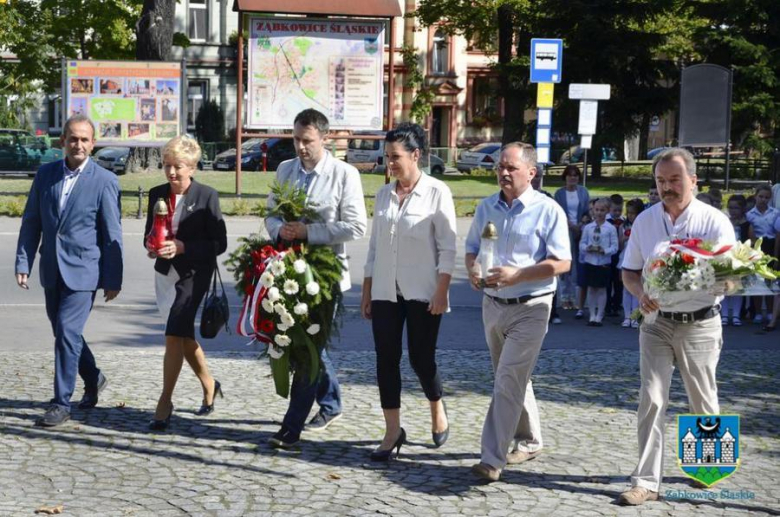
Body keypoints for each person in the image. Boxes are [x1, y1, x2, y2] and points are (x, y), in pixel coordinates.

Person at [618, 148, 736, 506]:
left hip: (701, 323)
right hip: (656, 323)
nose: (666, 187)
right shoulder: (646, 220)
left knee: (703, 398)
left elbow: (732, 279)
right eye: (660, 180)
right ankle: (645, 481)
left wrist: (703, 279)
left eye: (674, 179)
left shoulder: (714, 220)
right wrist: (641, 294)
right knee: (651, 398)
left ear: (693, 180)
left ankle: (708, 467)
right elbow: (629, 271)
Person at [465, 142, 571, 482]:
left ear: (531, 172)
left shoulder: (548, 210)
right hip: (493, 305)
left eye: (511, 167)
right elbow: (472, 250)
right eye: (500, 166)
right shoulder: (486, 208)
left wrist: (519, 274)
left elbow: (562, 263)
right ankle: (530, 439)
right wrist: (473, 269)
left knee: (508, 379)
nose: (504, 172)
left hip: (532, 306)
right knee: (509, 377)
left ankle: (492, 459)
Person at [265, 108, 367, 448]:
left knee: (309, 350)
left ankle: (290, 428)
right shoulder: (285, 170)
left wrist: (310, 232)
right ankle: (332, 402)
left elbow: (355, 226)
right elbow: (271, 213)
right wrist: (281, 231)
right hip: (288, 272)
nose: (300, 147)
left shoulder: (344, 174)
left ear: (324, 138)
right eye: (295, 139)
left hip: (325, 276)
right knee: (302, 345)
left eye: (307, 140)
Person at [15, 115, 123, 427]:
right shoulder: (46, 174)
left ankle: (61, 403)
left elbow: (112, 234)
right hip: (52, 268)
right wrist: (24, 262)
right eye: (73, 139)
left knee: (66, 331)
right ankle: (94, 376)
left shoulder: (104, 181)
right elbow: (31, 221)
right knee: (66, 332)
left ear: (93, 143)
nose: (78, 145)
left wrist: (112, 278)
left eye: (84, 140)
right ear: (63, 141)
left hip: (84, 270)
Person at [361, 123, 456, 461]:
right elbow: (374, 247)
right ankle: (392, 430)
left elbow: (447, 248)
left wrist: (442, 290)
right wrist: (368, 289)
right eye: (387, 157)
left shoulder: (437, 192)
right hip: (386, 291)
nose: (390, 163)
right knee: (386, 359)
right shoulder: (384, 194)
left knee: (421, 358)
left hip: (424, 292)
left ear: (416, 155)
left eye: (396, 157)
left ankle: (436, 406)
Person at [145, 136, 227, 430]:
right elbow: (150, 234)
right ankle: (209, 384)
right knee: (180, 336)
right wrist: (153, 245)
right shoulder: (157, 194)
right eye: (167, 165)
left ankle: (164, 402)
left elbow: (219, 243)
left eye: (177, 166)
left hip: (194, 274)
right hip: (165, 273)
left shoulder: (207, 196)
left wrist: (183, 247)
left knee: (172, 334)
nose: (171, 172)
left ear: (191, 167)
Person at [553, 165, 589, 311]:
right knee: (565, 264)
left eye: (575, 175)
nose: (572, 178)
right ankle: (564, 297)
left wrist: (581, 224)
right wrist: (570, 225)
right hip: (564, 230)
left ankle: (575, 298)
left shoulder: (583, 192)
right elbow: (558, 212)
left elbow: (587, 210)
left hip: (581, 230)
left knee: (577, 265)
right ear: (565, 177)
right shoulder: (559, 193)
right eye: (569, 175)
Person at [579, 198, 619, 326]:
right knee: (591, 289)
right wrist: (587, 248)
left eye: (602, 210)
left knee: (601, 290)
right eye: (597, 210)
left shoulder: (610, 228)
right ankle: (592, 314)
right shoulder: (588, 227)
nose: (599, 213)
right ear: (593, 211)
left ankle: (599, 315)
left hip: (603, 262)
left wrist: (604, 250)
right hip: (590, 261)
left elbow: (615, 247)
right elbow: (582, 243)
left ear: (607, 211)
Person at [746, 185, 778, 325]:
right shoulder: (749, 214)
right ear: (755, 196)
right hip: (757, 246)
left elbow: (777, 234)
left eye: (766, 197)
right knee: (756, 281)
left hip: (771, 246)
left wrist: (776, 255)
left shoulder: (775, 213)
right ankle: (758, 312)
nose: (763, 200)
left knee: (770, 281)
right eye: (761, 196)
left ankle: (771, 311)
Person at [722, 195, 750, 326]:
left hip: (740, 258)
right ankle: (725, 315)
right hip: (726, 257)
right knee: (725, 287)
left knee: (738, 288)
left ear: (743, 209)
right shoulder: (724, 222)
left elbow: (751, 241)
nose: (733, 211)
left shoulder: (747, 224)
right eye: (730, 207)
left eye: (736, 208)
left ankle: (736, 315)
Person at [619, 199, 644, 328]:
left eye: (633, 213)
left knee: (637, 289)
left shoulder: (644, 226)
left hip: (639, 260)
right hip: (625, 259)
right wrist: (623, 239)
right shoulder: (623, 226)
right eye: (628, 213)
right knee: (626, 289)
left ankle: (636, 316)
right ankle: (627, 316)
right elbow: (619, 244)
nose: (630, 216)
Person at [606, 194, 625, 317]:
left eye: (619, 210)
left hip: (620, 254)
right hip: (608, 255)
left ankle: (616, 304)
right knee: (608, 281)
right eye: (614, 210)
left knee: (619, 282)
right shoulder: (606, 222)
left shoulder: (624, 222)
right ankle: (607, 305)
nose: (617, 213)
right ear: (609, 209)